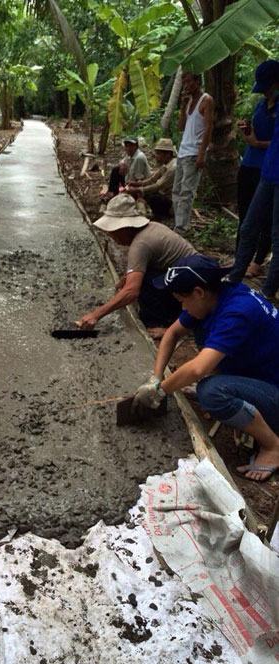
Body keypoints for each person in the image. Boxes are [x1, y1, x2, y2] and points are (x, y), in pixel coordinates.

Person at [133, 255, 279, 483]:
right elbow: (172, 333)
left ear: (199, 292)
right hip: (258, 374)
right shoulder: (217, 296)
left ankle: (273, 446)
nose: (182, 306)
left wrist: (160, 391)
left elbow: (198, 369)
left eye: (182, 300)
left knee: (211, 392)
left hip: (273, 388)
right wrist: (156, 376)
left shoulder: (237, 312)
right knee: (200, 329)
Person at [76, 193, 197, 338]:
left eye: (113, 232)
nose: (111, 236)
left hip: (194, 291)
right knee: (141, 277)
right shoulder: (152, 227)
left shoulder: (140, 245)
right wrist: (127, 278)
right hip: (188, 278)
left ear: (124, 228)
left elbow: (131, 291)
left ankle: (166, 326)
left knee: (144, 283)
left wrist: (95, 315)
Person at [228, 60, 279, 299]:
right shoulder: (264, 105)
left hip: (273, 171)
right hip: (267, 172)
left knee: (276, 233)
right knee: (248, 226)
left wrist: (258, 143)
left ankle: (267, 291)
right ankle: (235, 276)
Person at [172, 72, 214, 234]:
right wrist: (182, 108)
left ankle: (181, 227)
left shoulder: (206, 100)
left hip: (194, 152)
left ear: (197, 81)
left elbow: (208, 128)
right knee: (176, 190)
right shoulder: (189, 101)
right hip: (183, 151)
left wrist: (202, 153)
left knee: (186, 191)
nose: (185, 85)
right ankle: (178, 223)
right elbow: (181, 127)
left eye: (188, 81)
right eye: (183, 82)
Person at [126, 138, 177, 220]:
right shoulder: (166, 164)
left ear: (167, 154)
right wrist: (137, 184)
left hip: (170, 201)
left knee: (152, 198)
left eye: (158, 154)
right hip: (163, 194)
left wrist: (138, 189)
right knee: (145, 193)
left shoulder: (173, 168)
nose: (156, 156)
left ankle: (160, 215)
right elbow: (152, 179)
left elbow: (157, 186)